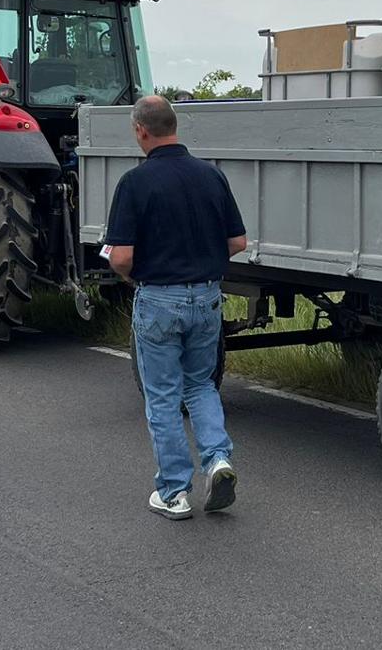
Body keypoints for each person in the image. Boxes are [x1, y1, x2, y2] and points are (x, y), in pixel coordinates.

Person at [105, 95, 247, 520]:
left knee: (163, 396)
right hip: (206, 296)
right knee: (200, 384)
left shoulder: (134, 183)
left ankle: (173, 492)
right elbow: (237, 243)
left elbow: (122, 256)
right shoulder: (211, 176)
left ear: (140, 130)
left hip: (159, 298)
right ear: (174, 126)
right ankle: (218, 460)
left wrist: (124, 272)